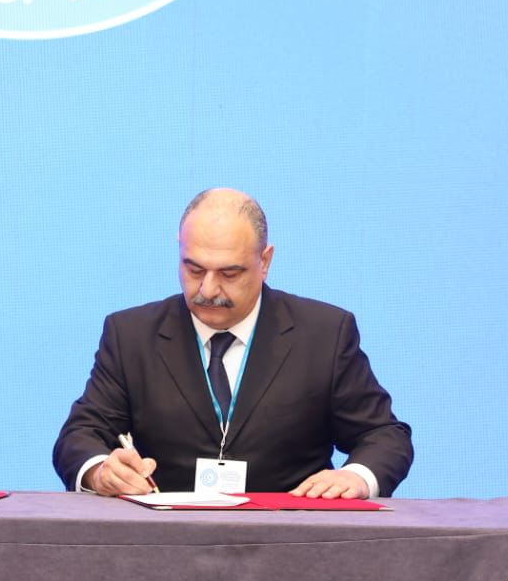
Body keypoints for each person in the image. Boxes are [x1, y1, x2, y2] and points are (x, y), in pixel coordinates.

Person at [53, 188, 413, 498]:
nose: (207, 290)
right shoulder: (131, 334)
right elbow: (81, 434)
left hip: (290, 542)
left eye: (229, 273)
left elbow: (383, 435)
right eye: (194, 270)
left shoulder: (324, 333)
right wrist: (100, 472)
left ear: (265, 261)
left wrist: (356, 477)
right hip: (164, 543)